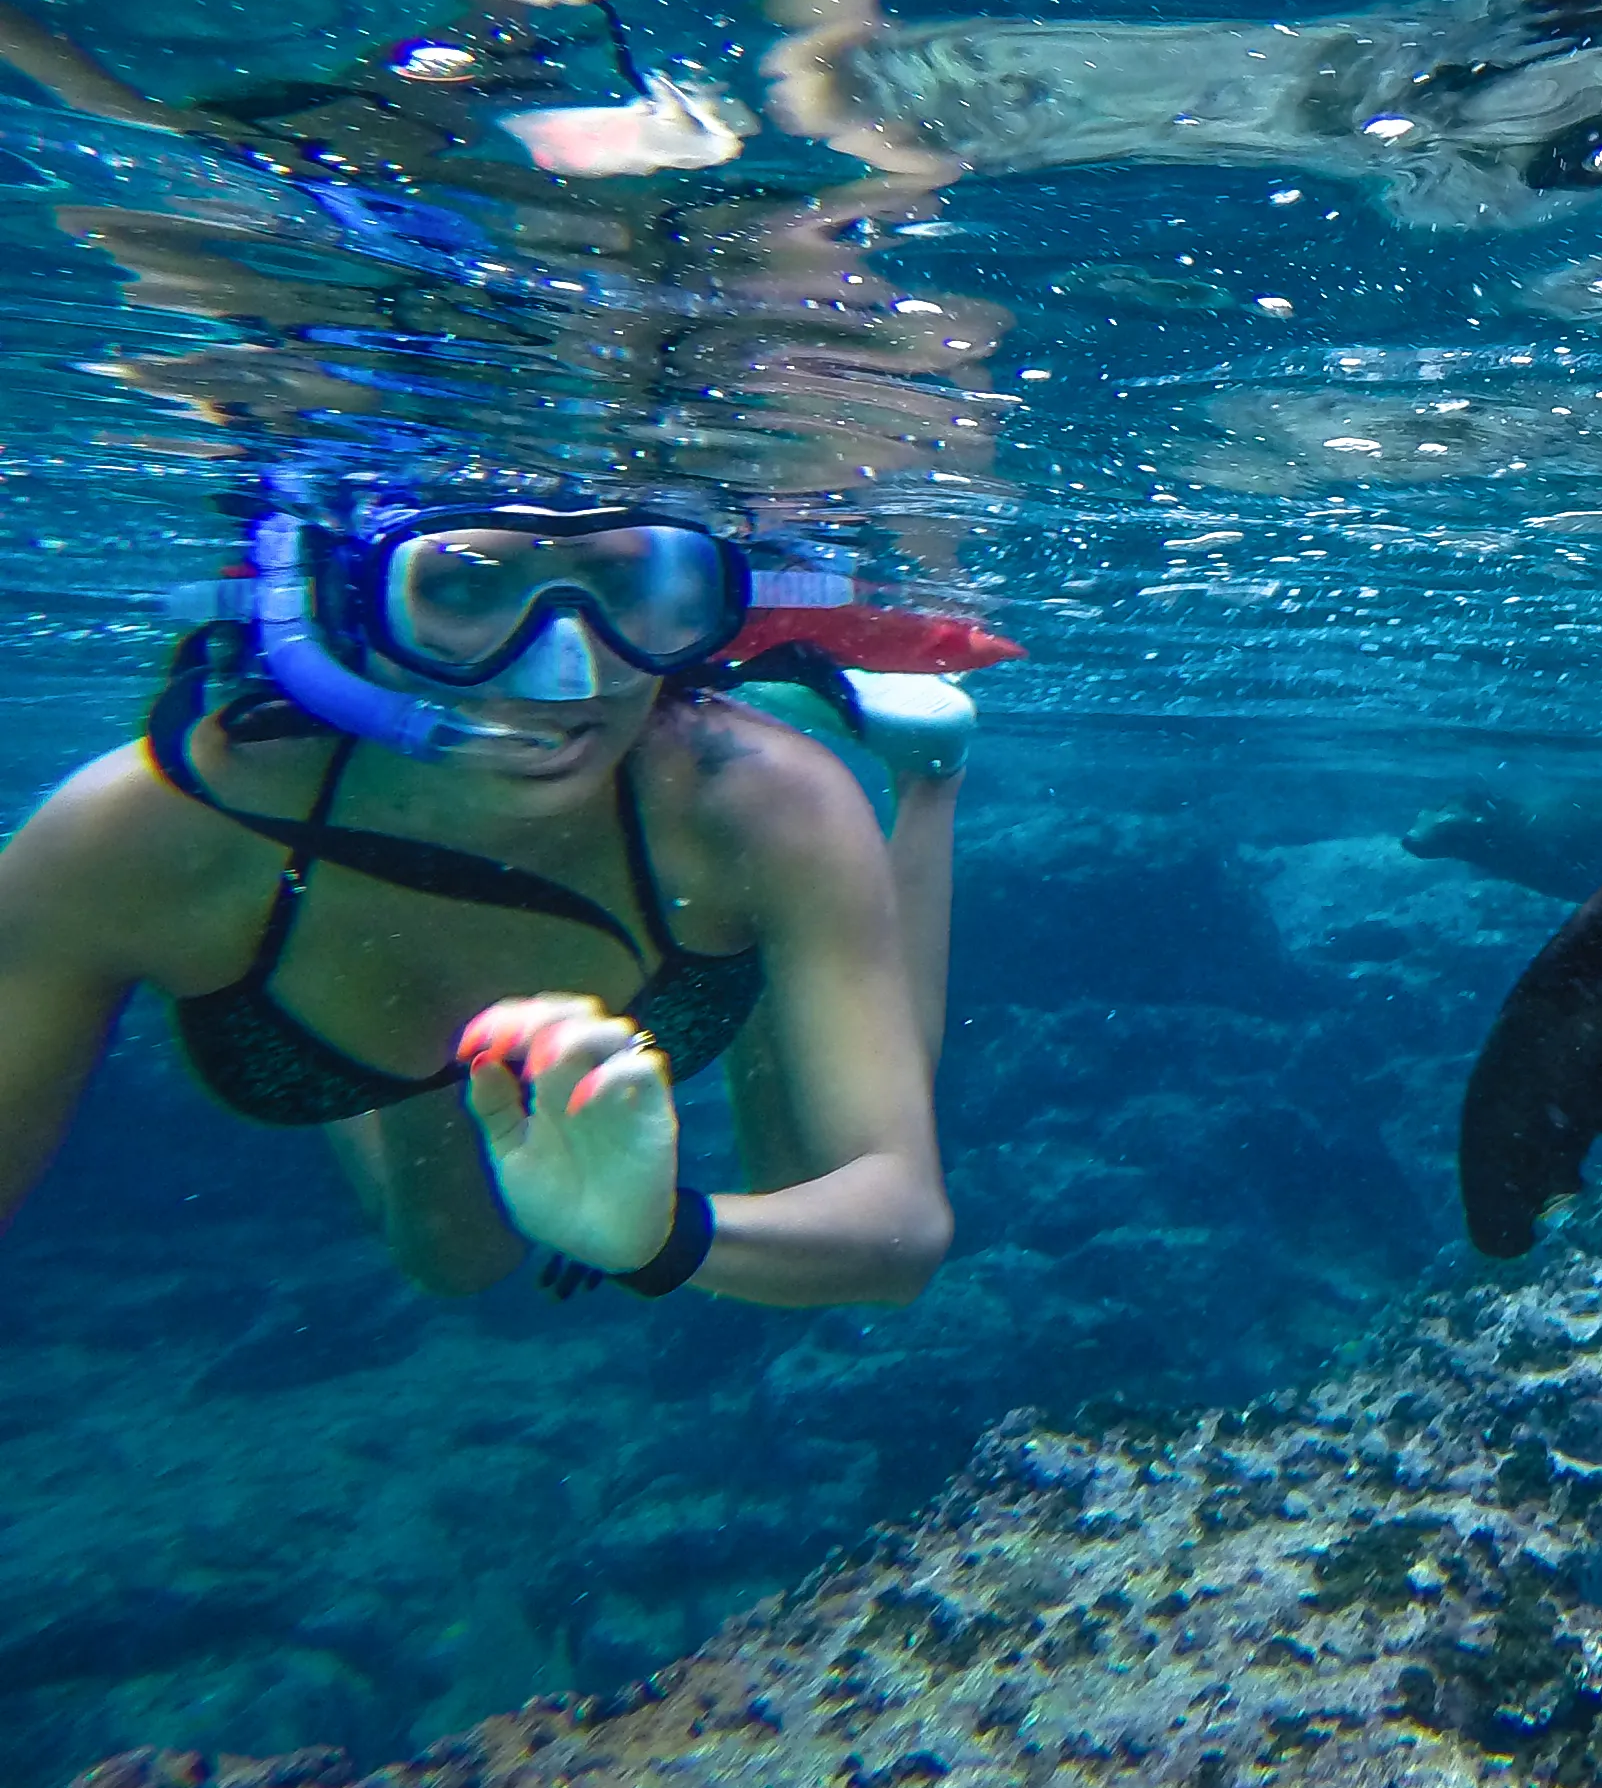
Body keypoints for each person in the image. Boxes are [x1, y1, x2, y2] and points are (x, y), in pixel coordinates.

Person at [0, 475, 1000, 1303]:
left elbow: (898, 1227)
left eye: (630, 583)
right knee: (458, 1261)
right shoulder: (134, 837)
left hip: (708, 887)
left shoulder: (751, 804)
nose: (564, 672)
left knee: (797, 1186)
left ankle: (929, 771)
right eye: (466, 586)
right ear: (343, 602)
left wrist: (660, 1234)